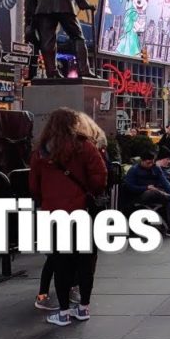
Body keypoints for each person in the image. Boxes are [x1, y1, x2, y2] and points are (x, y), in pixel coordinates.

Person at [30, 108, 107, 325]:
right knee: (85, 262)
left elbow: (33, 186)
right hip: (81, 212)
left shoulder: (41, 152)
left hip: (54, 214)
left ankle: (63, 312)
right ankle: (83, 308)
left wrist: (47, 199)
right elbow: (99, 179)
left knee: (60, 263)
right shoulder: (85, 147)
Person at [123, 150, 170, 235]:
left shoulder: (156, 168)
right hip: (140, 195)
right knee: (152, 192)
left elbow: (165, 182)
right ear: (142, 161)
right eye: (148, 163)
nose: (150, 165)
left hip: (156, 192)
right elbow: (130, 187)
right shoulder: (134, 170)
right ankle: (166, 195)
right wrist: (146, 187)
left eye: (152, 162)